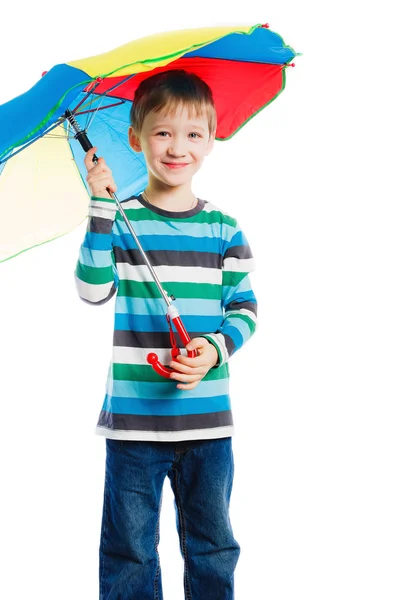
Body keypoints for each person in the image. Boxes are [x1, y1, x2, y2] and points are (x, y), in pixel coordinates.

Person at [75, 69, 258, 600]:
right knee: (129, 549)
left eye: (193, 134)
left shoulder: (223, 227)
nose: (178, 147)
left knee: (212, 545)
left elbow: (244, 308)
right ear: (136, 139)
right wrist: (100, 207)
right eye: (162, 133)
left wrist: (214, 349)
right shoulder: (121, 218)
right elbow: (91, 291)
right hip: (134, 425)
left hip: (207, 425)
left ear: (211, 138)